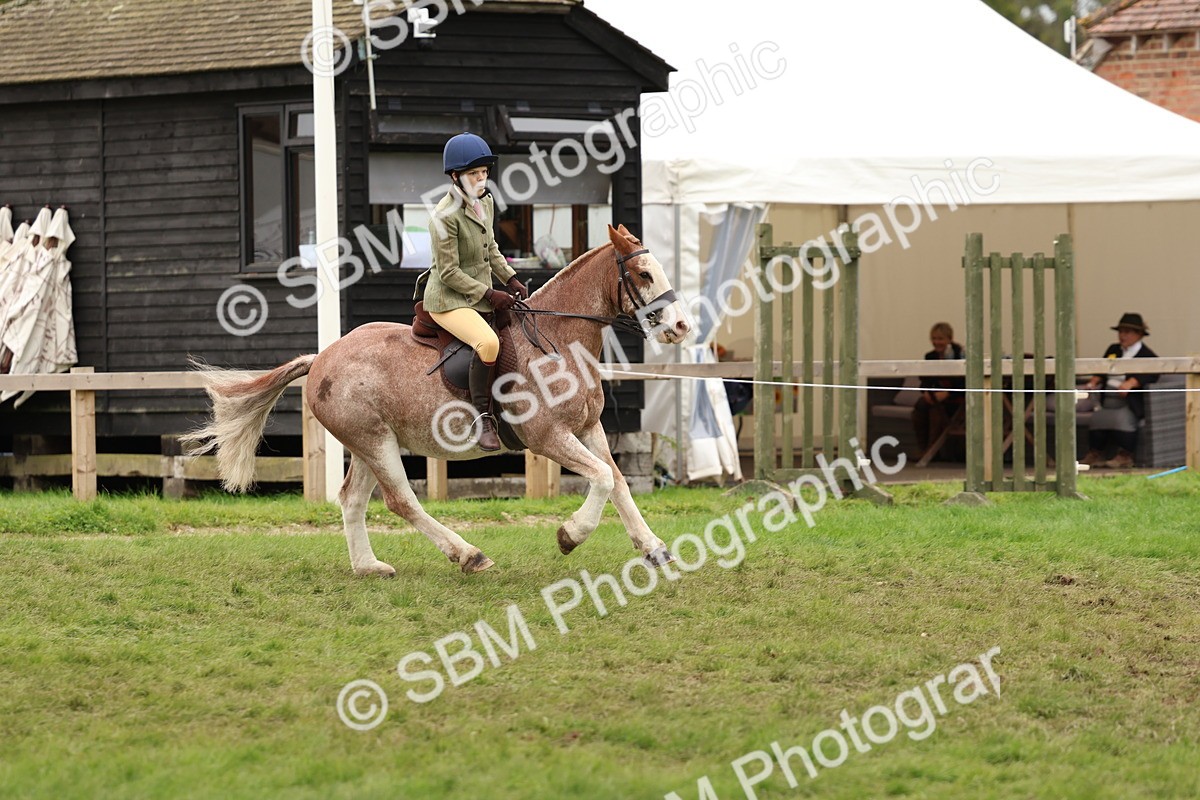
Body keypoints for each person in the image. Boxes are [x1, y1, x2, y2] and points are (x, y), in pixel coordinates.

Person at [421, 133, 527, 451]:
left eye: (484, 173)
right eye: (473, 174)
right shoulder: (444, 216)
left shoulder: (486, 203)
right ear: (456, 177)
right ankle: (483, 420)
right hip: (447, 299)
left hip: (478, 294)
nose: (481, 179)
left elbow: (491, 248)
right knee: (488, 341)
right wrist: (491, 294)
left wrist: (511, 279)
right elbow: (449, 272)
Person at [1080, 312, 1159, 469]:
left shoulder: (1146, 354)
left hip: (1128, 402)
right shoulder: (1114, 349)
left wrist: (1132, 382)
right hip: (1108, 398)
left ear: (1139, 334)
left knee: (1123, 421)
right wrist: (1094, 381)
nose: (1122, 336)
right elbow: (1102, 368)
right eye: (1121, 331)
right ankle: (1095, 453)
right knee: (1098, 420)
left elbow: (1153, 372)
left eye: (1127, 332)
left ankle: (1125, 455)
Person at [912, 322, 965, 458]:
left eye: (940, 339)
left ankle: (931, 451)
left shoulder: (960, 354)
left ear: (949, 339)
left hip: (956, 398)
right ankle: (923, 448)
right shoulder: (930, 356)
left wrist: (948, 393)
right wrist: (926, 393)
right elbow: (925, 380)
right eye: (934, 339)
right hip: (936, 396)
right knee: (921, 406)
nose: (937, 342)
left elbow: (965, 382)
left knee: (936, 410)